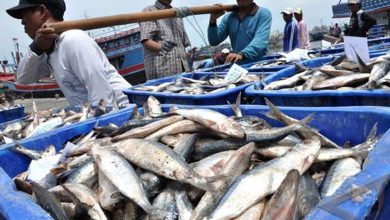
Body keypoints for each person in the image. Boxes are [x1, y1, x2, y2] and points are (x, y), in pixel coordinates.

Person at [6, 0, 131, 107]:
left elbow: (103, 96)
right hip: (92, 113)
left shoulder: (73, 41)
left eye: (24, 15)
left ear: (43, 11)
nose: (22, 22)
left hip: (123, 111)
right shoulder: (47, 50)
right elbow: (23, 79)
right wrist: (36, 47)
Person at [208, 0, 272, 64]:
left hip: (260, 64)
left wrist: (242, 54)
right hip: (239, 65)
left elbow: (260, 41)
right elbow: (214, 41)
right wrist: (213, 20)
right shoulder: (229, 17)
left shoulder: (263, 13)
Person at [140, 0, 191, 80]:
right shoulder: (148, 11)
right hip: (162, 74)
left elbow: (183, 42)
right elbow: (146, 41)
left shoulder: (177, 13)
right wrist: (161, 47)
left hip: (184, 72)